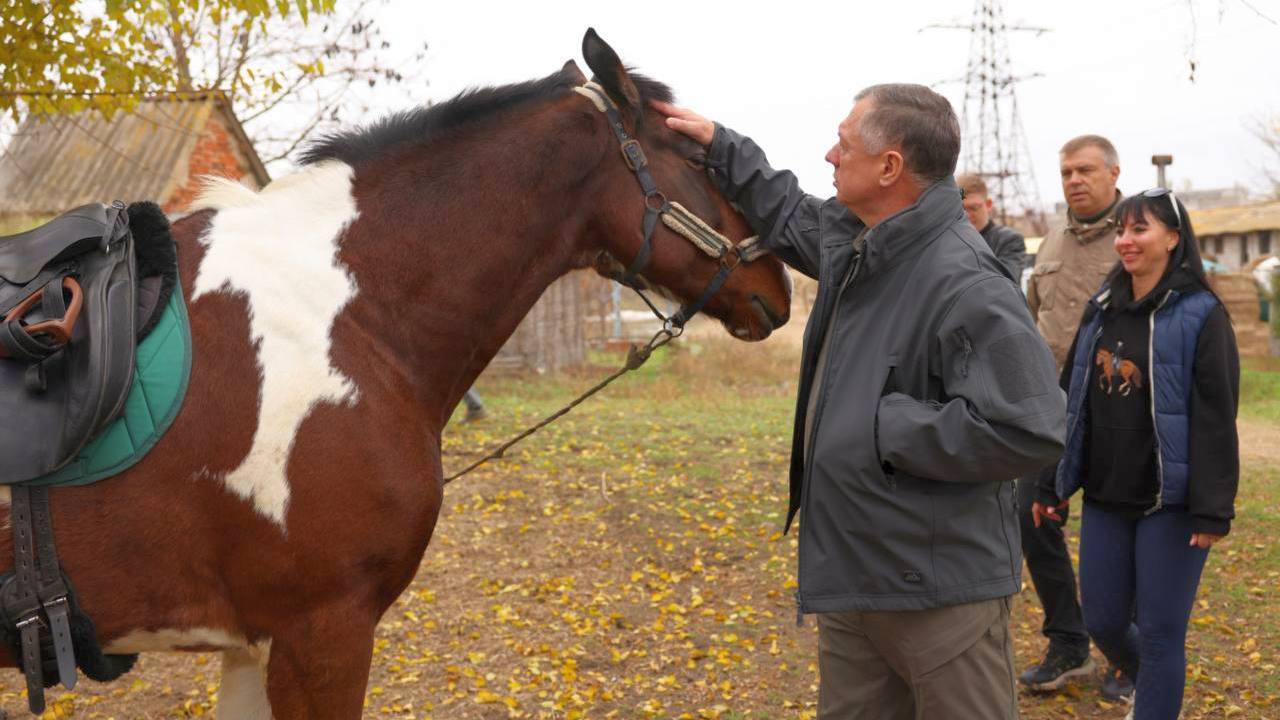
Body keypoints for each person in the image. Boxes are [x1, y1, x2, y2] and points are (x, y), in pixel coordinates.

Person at [658, 84, 1065, 719]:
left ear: (890, 167)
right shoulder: (857, 241)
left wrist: (889, 429)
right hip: (854, 584)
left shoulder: (967, 281)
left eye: (843, 145)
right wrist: (720, 144)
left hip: (938, 600)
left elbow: (1031, 427)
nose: (828, 154)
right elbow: (787, 208)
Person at [1033, 189, 1239, 720]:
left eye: (1140, 229)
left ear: (1173, 238)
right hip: (1106, 495)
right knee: (1101, 620)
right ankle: (1152, 692)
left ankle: (1152, 704)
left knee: (1161, 633)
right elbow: (1070, 397)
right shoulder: (1102, 309)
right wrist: (1050, 481)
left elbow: (1217, 416)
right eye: (1122, 231)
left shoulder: (1201, 314)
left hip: (1168, 502)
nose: (1126, 241)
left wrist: (1212, 506)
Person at [1018, 135, 1134, 698]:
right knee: (1032, 517)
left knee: (1120, 530)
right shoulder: (1051, 242)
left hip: (1117, 414)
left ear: (1114, 172)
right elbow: (1034, 316)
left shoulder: (1138, 237)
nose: (1074, 180)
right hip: (1048, 411)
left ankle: (1127, 656)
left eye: (1086, 170)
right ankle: (1069, 643)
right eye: (1066, 171)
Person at [957, 173, 1027, 282]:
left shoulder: (1009, 241)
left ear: (988, 204)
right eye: (962, 209)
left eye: (974, 208)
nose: (967, 215)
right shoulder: (949, 240)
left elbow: (1003, 284)